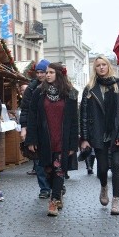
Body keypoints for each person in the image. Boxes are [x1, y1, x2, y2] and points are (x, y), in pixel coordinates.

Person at [24, 62, 80, 216]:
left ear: (59, 74)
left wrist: (73, 144)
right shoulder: (38, 93)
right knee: (48, 170)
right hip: (45, 139)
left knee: (59, 169)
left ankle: (53, 200)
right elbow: (32, 116)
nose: (47, 75)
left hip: (63, 139)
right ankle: (58, 192)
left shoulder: (70, 93)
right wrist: (31, 139)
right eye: (46, 72)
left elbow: (75, 120)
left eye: (51, 72)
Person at [79, 55, 119, 215]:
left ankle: (116, 200)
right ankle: (104, 187)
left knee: (117, 165)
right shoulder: (89, 89)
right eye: (98, 65)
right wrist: (85, 139)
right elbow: (84, 116)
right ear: (94, 69)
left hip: (116, 133)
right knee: (102, 169)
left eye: (104, 65)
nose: (101, 67)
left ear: (109, 66)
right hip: (98, 134)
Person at [19, 59, 51, 198]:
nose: (39, 75)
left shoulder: (57, 85)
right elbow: (25, 109)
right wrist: (24, 128)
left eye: (42, 72)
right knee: (37, 160)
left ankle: (57, 185)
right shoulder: (31, 88)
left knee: (53, 159)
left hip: (52, 128)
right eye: (37, 72)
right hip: (36, 128)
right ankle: (44, 188)